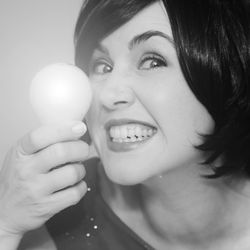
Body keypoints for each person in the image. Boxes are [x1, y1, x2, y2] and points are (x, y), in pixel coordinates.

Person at [1, 0, 250, 249]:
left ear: (229, 76)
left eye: (153, 61)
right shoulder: (50, 211)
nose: (107, 94)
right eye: (102, 66)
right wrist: (5, 227)